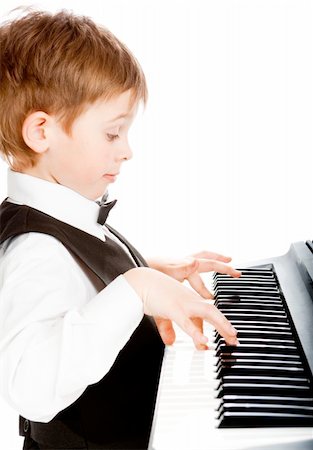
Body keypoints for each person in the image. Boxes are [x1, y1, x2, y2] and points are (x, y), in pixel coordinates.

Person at [0, 9, 240, 450]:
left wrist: (146, 271)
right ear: (41, 132)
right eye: (113, 134)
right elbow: (30, 389)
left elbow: (74, 295)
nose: (127, 151)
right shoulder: (34, 248)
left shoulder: (64, 214)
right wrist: (134, 289)